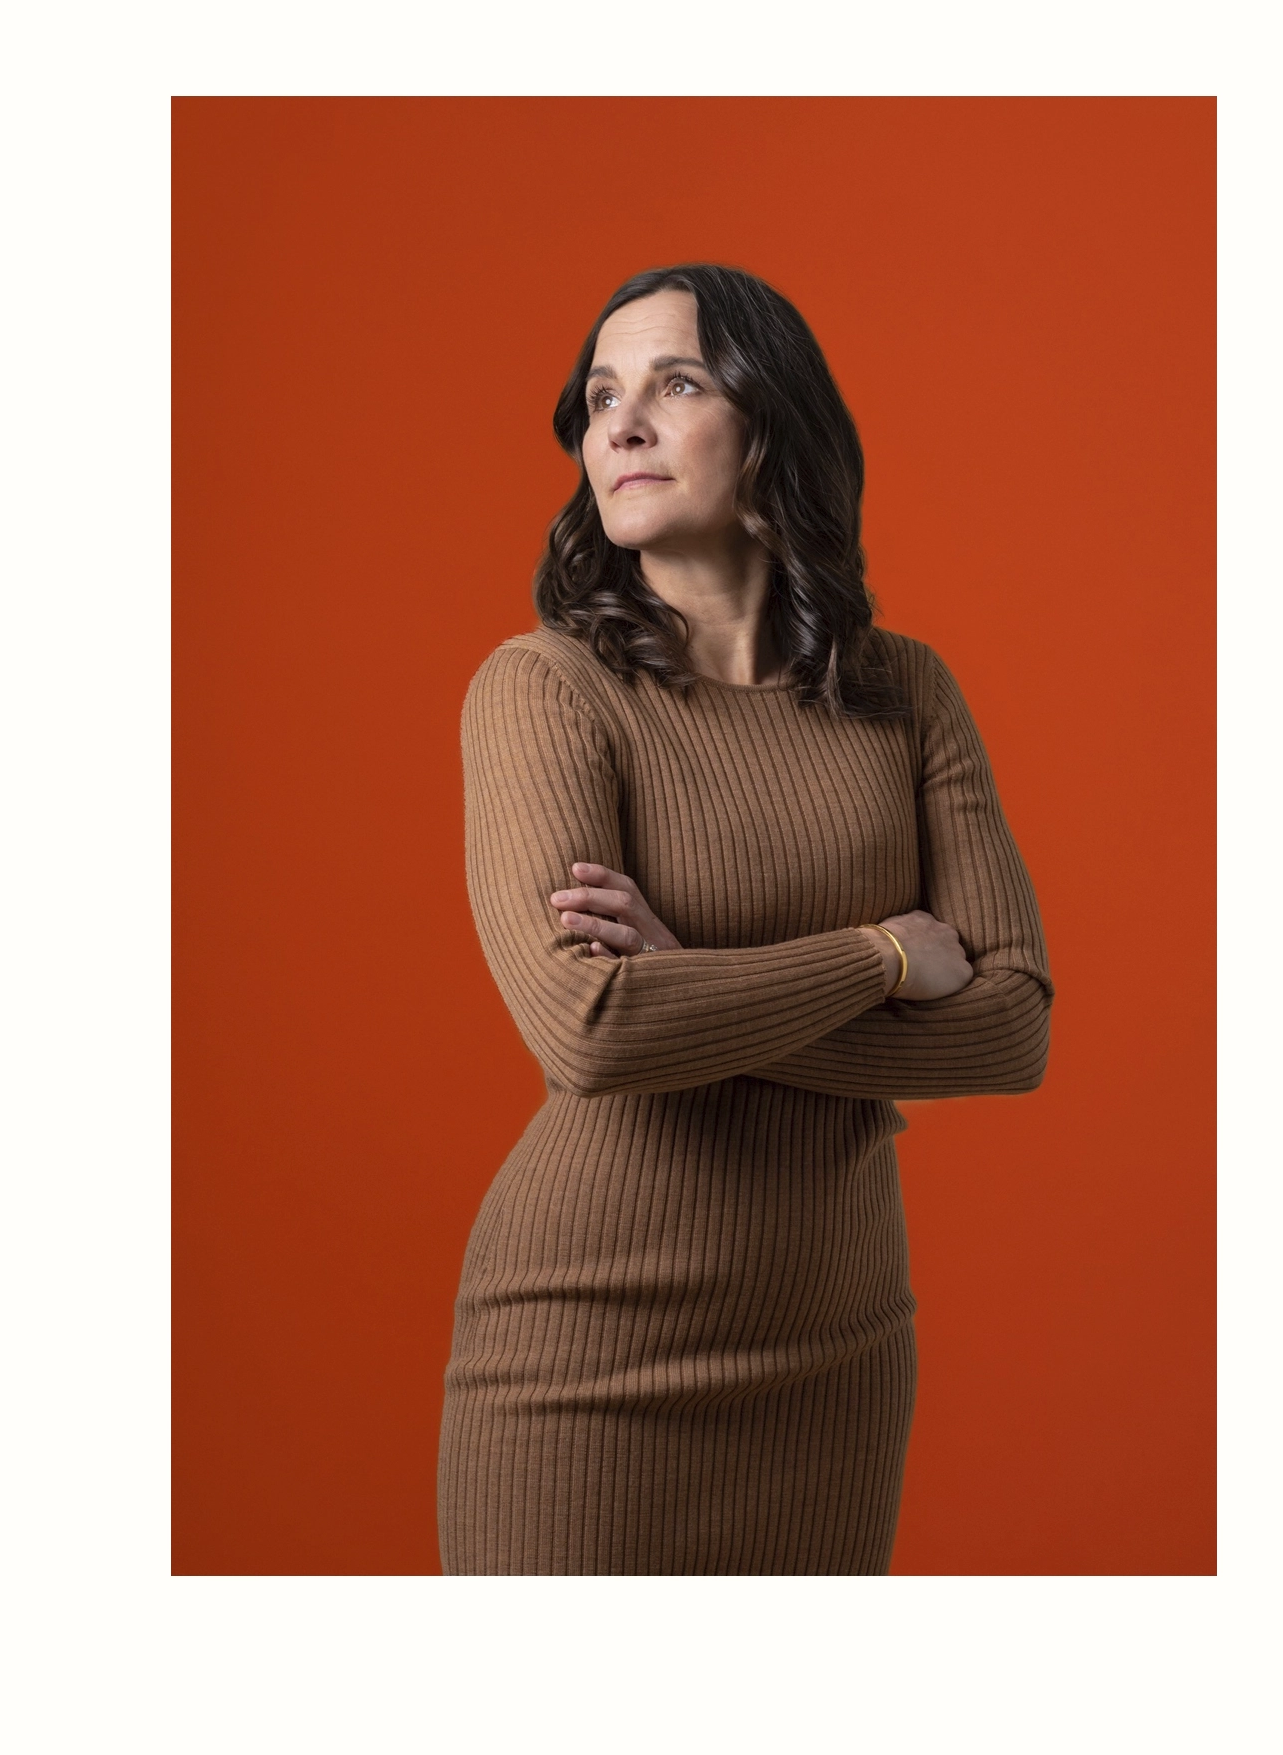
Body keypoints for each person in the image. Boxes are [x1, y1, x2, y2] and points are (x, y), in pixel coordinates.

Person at [437, 263, 1052, 1575]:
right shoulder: (545, 693)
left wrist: (698, 992)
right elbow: (593, 1033)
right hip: (588, 1348)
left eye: (675, 382)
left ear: (771, 426)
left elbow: (1010, 1032)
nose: (622, 425)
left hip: (839, 1347)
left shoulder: (905, 694)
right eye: (601, 397)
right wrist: (880, 957)